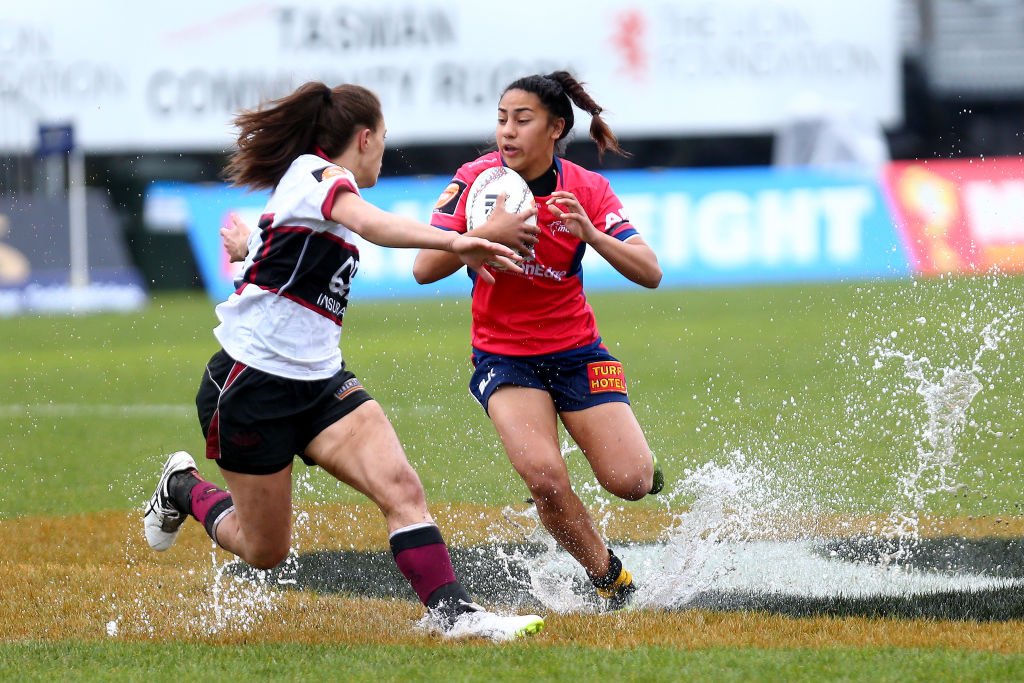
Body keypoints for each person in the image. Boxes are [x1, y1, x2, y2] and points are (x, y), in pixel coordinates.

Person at [143, 81, 544, 641]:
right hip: (250, 386)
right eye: (382, 138)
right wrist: (462, 240)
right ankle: (184, 486)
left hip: (320, 383)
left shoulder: (310, 191)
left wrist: (246, 250)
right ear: (363, 137)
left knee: (401, 488)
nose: (383, 148)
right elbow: (371, 224)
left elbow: (281, 254)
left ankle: (456, 616)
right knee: (264, 551)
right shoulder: (319, 173)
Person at [412, 71, 664, 610]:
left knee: (632, 481)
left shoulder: (587, 189)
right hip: (505, 359)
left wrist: (592, 236)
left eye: (522, 120)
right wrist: (480, 237)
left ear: (556, 128)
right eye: (502, 118)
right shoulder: (476, 181)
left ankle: (635, 470)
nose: (507, 131)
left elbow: (650, 271)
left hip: (578, 353)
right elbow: (422, 267)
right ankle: (609, 577)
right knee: (546, 478)